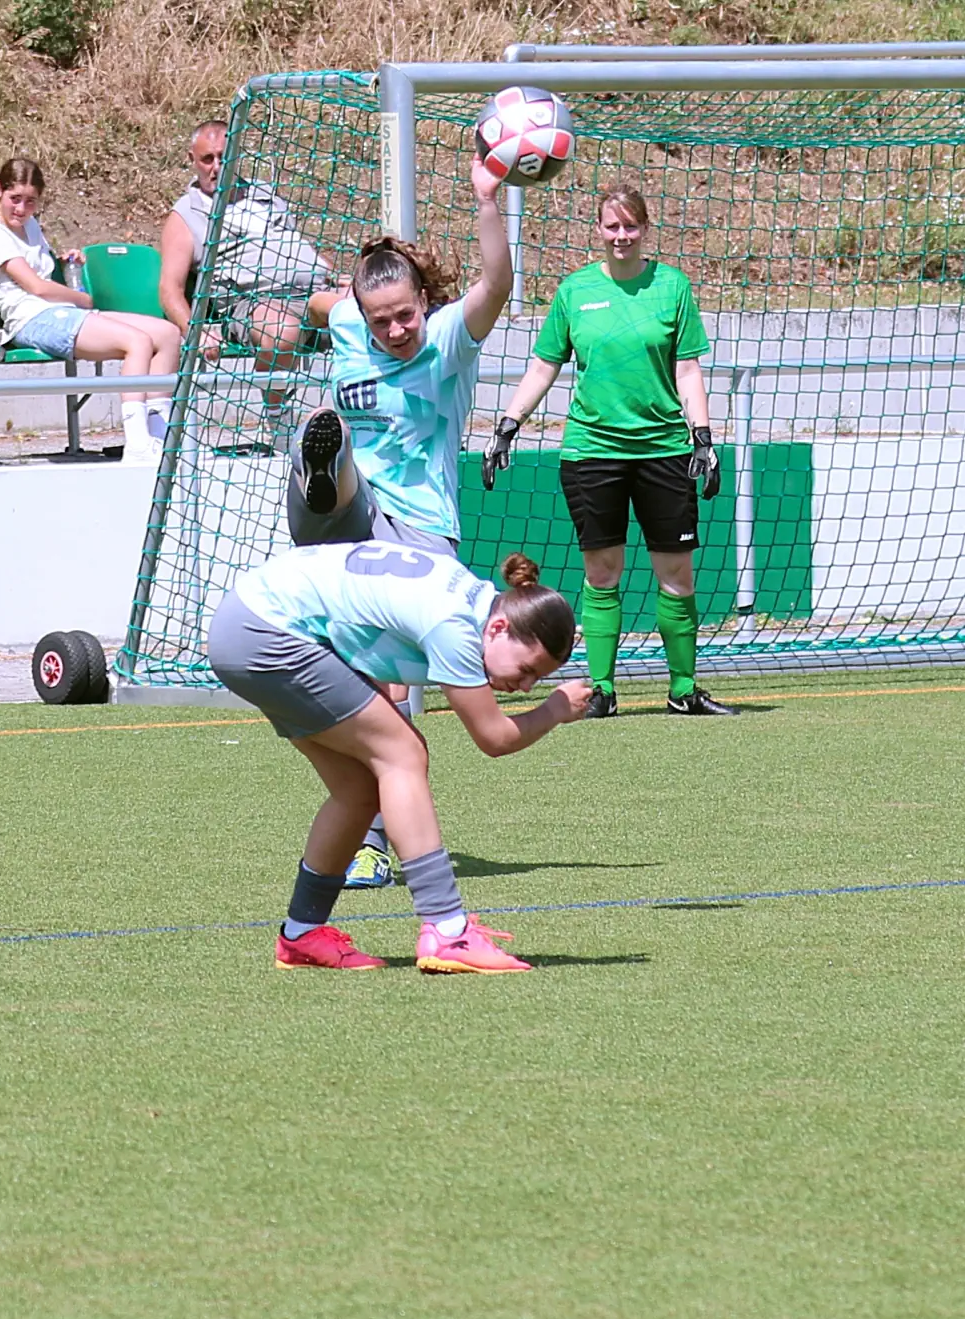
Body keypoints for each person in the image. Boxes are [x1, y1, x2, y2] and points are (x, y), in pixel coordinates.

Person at [207, 543, 591, 974]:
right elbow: (494, 737)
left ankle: (302, 934)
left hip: (248, 623)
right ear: (499, 627)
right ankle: (448, 930)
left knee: (358, 789)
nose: (525, 686)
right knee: (403, 754)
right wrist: (554, 709)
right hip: (266, 630)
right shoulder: (454, 626)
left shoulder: (468, 603)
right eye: (527, 670)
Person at [291, 155, 514, 891]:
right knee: (322, 447)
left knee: (385, 688)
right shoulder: (350, 321)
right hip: (355, 514)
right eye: (380, 319)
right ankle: (320, 471)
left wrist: (488, 202)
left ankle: (375, 839)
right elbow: (324, 306)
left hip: (420, 529)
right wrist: (287, 310)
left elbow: (497, 285)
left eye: (405, 314)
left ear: (424, 299)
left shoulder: (449, 337)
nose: (394, 329)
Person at [492, 184, 734, 718]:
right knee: (602, 574)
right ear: (598, 230)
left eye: (630, 226)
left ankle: (684, 690)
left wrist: (703, 436)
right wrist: (508, 425)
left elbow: (687, 369)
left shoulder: (672, 287)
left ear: (644, 229)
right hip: (592, 453)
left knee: (677, 576)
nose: (621, 235)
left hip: (664, 451)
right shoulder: (575, 291)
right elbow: (544, 365)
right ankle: (600, 690)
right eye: (612, 226)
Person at [0, 157, 181, 463]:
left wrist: (65, 262)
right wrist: (80, 298)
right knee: (137, 342)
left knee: (167, 334)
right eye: (14, 199)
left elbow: (42, 273)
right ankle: (138, 443)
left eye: (30, 201)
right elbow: (36, 287)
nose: (21, 208)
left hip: (60, 313)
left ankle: (159, 434)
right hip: (32, 320)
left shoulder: (30, 226)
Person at [158, 119, 345, 450]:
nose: (217, 167)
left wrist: (335, 276)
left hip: (311, 291)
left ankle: (374, 416)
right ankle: (278, 415)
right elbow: (169, 289)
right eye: (208, 159)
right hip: (250, 301)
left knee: (366, 310)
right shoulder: (187, 215)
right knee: (281, 330)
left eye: (224, 156)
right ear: (192, 160)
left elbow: (295, 247)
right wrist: (196, 331)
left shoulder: (265, 196)